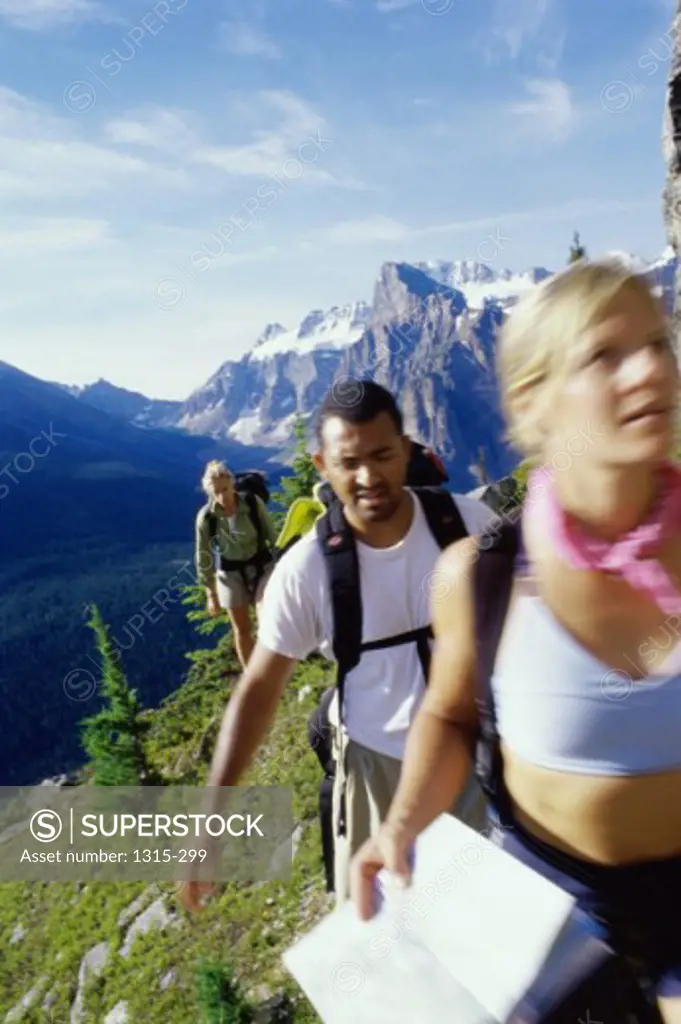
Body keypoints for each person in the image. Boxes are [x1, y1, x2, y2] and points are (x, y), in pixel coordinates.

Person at [349, 260, 681, 1021]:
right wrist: (400, 826)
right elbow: (449, 714)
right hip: (544, 901)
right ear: (532, 399)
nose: (650, 372)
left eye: (657, 344)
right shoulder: (479, 578)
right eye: (605, 354)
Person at [180, 382, 495, 910]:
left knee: (495, 921)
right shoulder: (307, 572)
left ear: (406, 448)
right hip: (377, 772)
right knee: (395, 936)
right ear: (322, 465)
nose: (368, 477)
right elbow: (259, 688)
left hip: (480, 756)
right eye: (349, 462)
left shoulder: (469, 525)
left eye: (382, 455)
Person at [195, 460, 278, 669]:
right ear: (209, 492)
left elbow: (273, 535)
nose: (222, 496)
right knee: (241, 629)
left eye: (225, 489)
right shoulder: (206, 518)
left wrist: (285, 565)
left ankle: (273, 667)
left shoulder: (251, 503)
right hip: (229, 573)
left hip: (261, 564)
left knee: (265, 615)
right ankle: (252, 676)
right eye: (216, 492)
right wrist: (210, 593)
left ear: (232, 484)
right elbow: (203, 556)